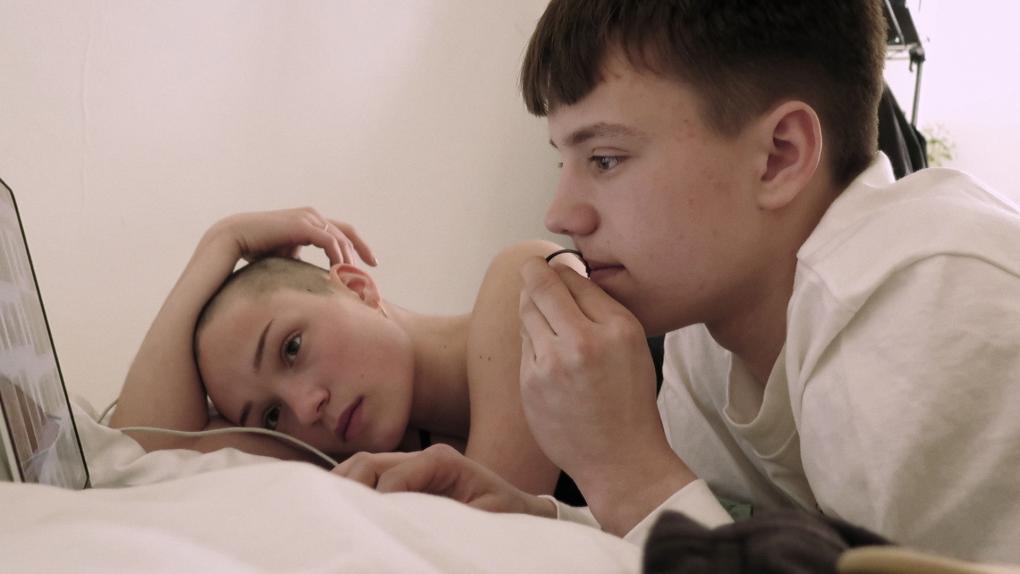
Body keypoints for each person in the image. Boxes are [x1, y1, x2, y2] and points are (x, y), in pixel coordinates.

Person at [327, 0, 1020, 564]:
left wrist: (624, 468)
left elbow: (662, 504)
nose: (560, 215)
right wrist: (538, 517)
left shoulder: (931, 306)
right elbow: (728, 534)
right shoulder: (706, 336)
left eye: (605, 158)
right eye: (565, 161)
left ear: (779, 157)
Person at [109, 207, 584, 498]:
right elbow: (141, 457)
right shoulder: (365, 457)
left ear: (358, 288)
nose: (305, 408)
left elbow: (490, 544)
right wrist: (220, 241)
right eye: (272, 415)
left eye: (292, 348)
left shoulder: (524, 287)